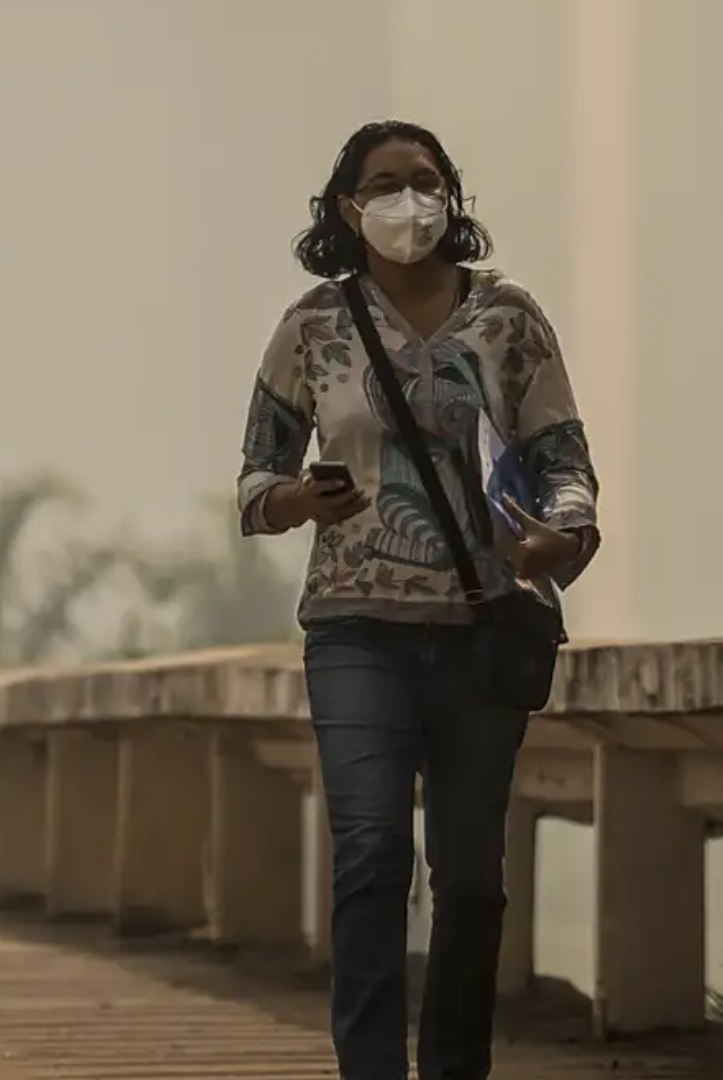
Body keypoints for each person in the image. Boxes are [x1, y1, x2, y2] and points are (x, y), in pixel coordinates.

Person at [237, 120, 600, 1080]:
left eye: (427, 181)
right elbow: (254, 480)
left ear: (453, 197)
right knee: (369, 853)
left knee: (474, 882)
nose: (411, 201)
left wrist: (565, 535)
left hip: (483, 630)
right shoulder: (312, 326)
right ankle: (368, 1068)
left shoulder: (509, 319)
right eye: (387, 184)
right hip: (357, 628)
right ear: (348, 209)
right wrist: (294, 500)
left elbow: (565, 461)